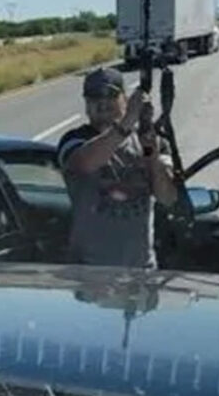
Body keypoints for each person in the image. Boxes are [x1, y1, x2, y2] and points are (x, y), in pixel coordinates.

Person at [56, 67, 179, 269]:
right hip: (89, 272)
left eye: (111, 95)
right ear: (86, 105)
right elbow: (85, 164)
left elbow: (168, 197)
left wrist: (151, 154)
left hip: (140, 271)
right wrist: (127, 121)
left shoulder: (148, 140)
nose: (103, 103)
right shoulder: (75, 140)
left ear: (124, 98)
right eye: (94, 98)